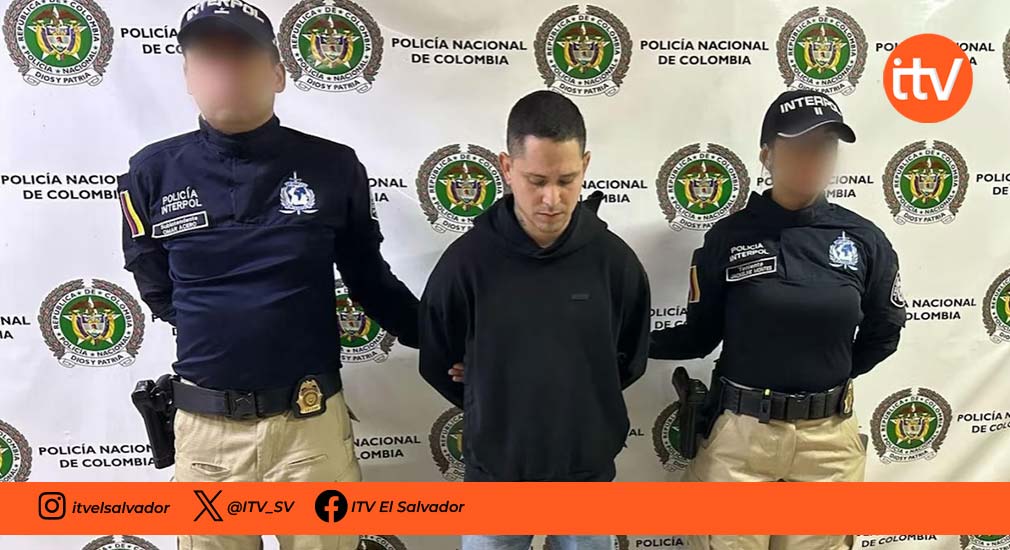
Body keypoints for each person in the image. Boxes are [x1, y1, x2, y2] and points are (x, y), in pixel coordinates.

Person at [117, 2, 418, 549]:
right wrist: (223, 330)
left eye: (242, 53)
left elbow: (370, 279)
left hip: (310, 430)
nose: (225, 68)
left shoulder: (333, 167)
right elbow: (154, 282)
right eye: (208, 56)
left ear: (277, 74)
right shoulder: (151, 173)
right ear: (187, 75)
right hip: (206, 437)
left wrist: (445, 340)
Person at [650, 90, 906, 550]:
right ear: (767, 154)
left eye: (825, 146)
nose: (813, 157)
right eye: (799, 145)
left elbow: (884, 332)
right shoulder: (728, 237)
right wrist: (620, 340)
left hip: (828, 445)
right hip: (741, 441)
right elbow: (699, 337)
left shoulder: (864, 240)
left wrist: (824, 376)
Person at [419, 90, 650, 550]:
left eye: (567, 180)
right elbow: (437, 358)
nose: (552, 198)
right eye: (536, 180)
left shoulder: (614, 263)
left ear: (586, 165)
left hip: (585, 476)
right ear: (507, 168)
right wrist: (488, 392)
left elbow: (628, 360)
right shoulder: (467, 262)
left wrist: (578, 392)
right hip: (496, 477)